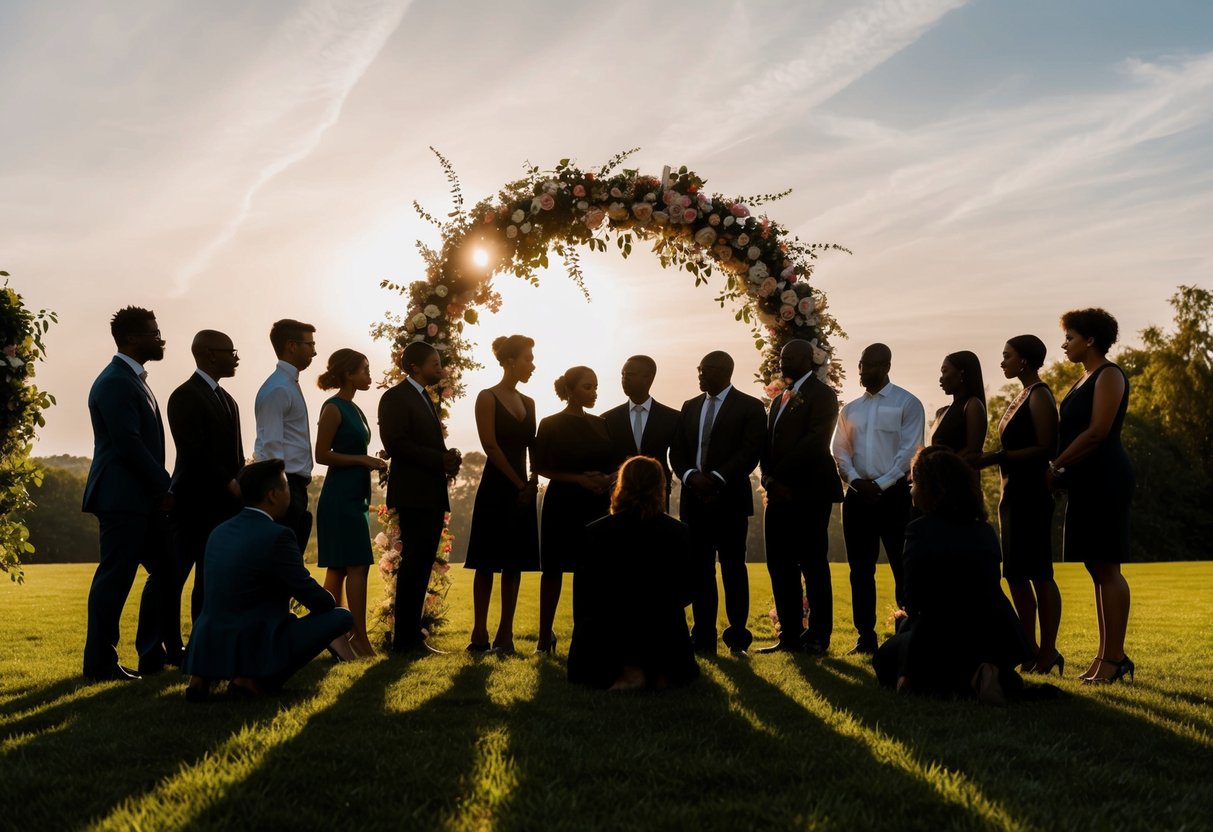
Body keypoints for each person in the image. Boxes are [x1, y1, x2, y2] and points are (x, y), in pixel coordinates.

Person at [183, 459, 355, 701]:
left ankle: (201, 677)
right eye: (287, 487)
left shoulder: (219, 532)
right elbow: (314, 597)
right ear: (273, 495)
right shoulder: (277, 535)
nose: (290, 493)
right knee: (341, 617)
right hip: (254, 636)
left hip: (209, 638)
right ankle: (252, 680)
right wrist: (329, 601)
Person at [873, 447, 1032, 705]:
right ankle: (980, 673)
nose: (910, 489)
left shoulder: (919, 530)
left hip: (941, 633)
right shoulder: (985, 530)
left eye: (913, 483)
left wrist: (905, 624)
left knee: (884, 658)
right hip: (989, 634)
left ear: (930, 490)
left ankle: (933, 678)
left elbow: (914, 600)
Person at [81, 306, 174, 681]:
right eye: (154, 333)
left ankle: (151, 654)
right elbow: (128, 444)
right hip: (122, 499)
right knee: (115, 579)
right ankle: (100, 663)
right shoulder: (116, 381)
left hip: (140, 499)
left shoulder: (131, 378)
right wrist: (165, 486)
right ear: (133, 339)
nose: (160, 337)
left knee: (168, 569)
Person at [1051, 308, 1135, 684]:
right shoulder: (1082, 379)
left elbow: (1099, 431)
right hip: (1084, 480)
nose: (1064, 344)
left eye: (1070, 337)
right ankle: (1105, 656)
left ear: (1090, 340)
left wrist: (1054, 467)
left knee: (1107, 565)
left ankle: (1115, 659)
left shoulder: (1109, 375)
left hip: (1106, 477)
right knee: (1095, 566)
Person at [568, 456, 698, 691]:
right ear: (660, 487)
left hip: (609, 638)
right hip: (663, 636)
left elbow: (584, 598)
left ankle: (629, 670)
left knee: (606, 615)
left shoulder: (595, 532)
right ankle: (657, 669)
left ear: (620, 486)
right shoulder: (678, 533)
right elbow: (688, 592)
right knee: (662, 613)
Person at [669, 351, 766, 655]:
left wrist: (717, 478)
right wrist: (689, 477)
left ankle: (737, 637)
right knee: (700, 570)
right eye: (698, 369)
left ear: (724, 371)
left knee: (733, 568)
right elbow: (678, 450)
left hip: (730, 500)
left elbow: (750, 452)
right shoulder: (689, 406)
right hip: (693, 500)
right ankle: (703, 637)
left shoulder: (750, 407)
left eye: (704, 370)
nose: (699, 374)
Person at [976, 335, 1063, 675]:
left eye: (1007, 355)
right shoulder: (1020, 395)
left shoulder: (1040, 395)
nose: (1002, 361)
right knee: (1014, 573)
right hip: (1010, 496)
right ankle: (1028, 647)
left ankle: (1049, 650)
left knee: (1039, 572)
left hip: (1031, 495)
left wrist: (995, 456)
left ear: (1024, 360)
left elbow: (1045, 447)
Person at [832, 343, 925, 655]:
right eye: (860, 365)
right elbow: (840, 449)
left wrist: (882, 484)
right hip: (857, 497)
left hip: (895, 495)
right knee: (860, 570)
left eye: (869, 365)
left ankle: (909, 631)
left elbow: (911, 450)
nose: (862, 372)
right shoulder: (850, 409)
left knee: (903, 566)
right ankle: (865, 637)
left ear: (886, 365)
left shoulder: (907, 403)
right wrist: (857, 481)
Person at [756, 340, 843, 656]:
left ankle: (819, 636)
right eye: (782, 356)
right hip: (777, 492)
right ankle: (790, 634)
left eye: (791, 356)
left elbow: (815, 441)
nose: (785, 361)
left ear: (809, 359)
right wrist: (767, 477)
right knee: (779, 564)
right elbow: (767, 444)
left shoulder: (823, 395)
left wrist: (780, 475)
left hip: (808, 492)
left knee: (813, 563)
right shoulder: (778, 398)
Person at [165, 330, 245, 665]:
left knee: (209, 579)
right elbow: (193, 451)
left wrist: (240, 483)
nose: (236, 357)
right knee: (175, 576)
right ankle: (170, 647)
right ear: (211, 355)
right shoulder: (184, 396)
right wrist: (228, 482)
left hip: (225, 507)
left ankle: (202, 644)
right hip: (192, 503)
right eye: (231, 351)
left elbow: (236, 454)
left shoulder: (229, 399)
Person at [378, 341, 462, 655]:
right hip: (413, 493)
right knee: (414, 564)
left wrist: (447, 459)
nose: (439, 369)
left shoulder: (424, 397)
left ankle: (412, 638)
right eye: (434, 364)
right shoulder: (395, 397)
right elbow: (397, 443)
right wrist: (436, 459)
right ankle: (405, 641)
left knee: (422, 563)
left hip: (430, 491)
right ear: (415, 367)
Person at [464, 335, 540, 654]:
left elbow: (534, 446)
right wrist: (517, 483)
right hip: (497, 487)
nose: (532, 365)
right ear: (510, 362)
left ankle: (505, 635)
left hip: (523, 490)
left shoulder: (530, 402)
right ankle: (479, 635)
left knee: (514, 562)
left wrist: (533, 479)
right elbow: (490, 446)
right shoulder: (487, 397)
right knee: (486, 561)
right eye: (528, 358)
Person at [533, 366, 615, 655]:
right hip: (562, 502)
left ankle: (588, 638)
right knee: (553, 570)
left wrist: (607, 481)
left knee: (590, 571)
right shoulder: (550, 423)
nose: (593, 392)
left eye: (595, 387)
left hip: (597, 504)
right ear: (570, 390)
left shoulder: (602, 424)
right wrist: (579, 479)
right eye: (587, 387)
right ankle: (544, 638)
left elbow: (615, 464)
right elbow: (539, 466)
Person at [314, 349, 387, 658]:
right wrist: (361, 459)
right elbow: (321, 455)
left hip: (355, 495)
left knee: (339, 568)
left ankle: (333, 635)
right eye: (364, 369)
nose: (369, 375)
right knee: (356, 565)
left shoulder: (355, 409)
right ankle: (358, 637)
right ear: (348, 373)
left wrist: (374, 460)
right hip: (338, 496)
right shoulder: (332, 408)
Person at [254, 319, 318, 549]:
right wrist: (281, 490)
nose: (315, 351)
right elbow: (271, 445)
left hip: (294, 484)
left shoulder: (288, 383)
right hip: (284, 485)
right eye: (310, 345)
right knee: (283, 557)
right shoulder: (278, 388)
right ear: (292, 346)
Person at [602, 355, 681, 509]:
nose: (624, 379)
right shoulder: (607, 419)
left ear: (648, 377)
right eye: (622, 375)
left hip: (656, 495)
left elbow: (678, 456)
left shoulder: (672, 418)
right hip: (619, 495)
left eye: (630, 375)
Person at [930, 350, 987, 465]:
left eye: (945, 371)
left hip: (959, 479)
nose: (941, 378)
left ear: (961, 373)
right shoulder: (943, 411)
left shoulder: (972, 405)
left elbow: (973, 451)